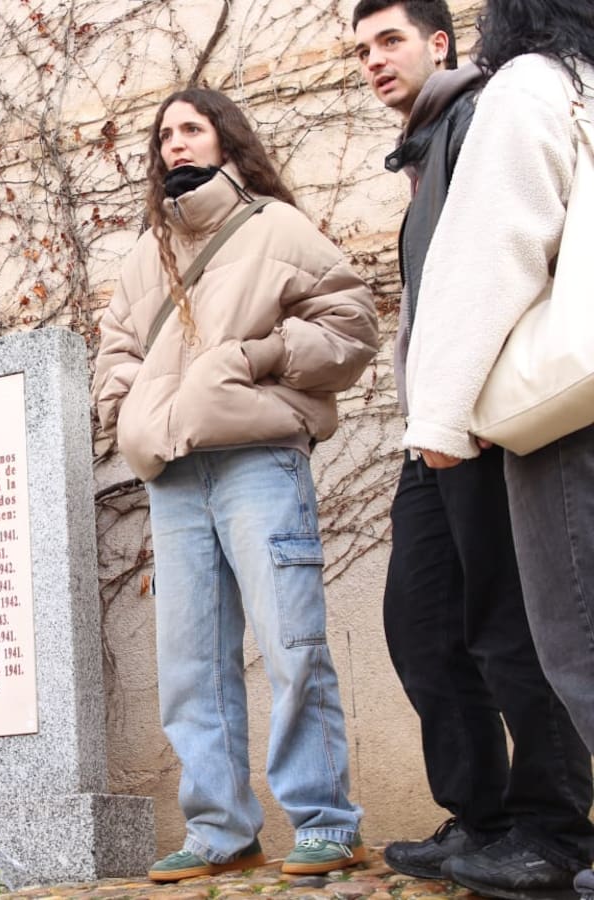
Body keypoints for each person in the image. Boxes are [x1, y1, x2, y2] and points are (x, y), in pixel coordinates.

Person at [93, 88, 378, 882]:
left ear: (225, 140)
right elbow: (113, 353)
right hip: (174, 477)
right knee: (191, 662)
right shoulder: (143, 256)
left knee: (291, 644)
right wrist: (131, 413)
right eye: (164, 136)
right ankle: (221, 831)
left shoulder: (275, 228)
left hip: (259, 460)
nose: (175, 144)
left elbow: (352, 327)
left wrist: (257, 361)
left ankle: (326, 822)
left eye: (191, 128)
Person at [352, 0, 594, 883]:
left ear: (443, 42)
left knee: (513, 630)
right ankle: (482, 818)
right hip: (439, 425)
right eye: (362, 49)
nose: (374, 60)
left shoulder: (499, 104)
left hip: (492, 418)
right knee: (421, 627)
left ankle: (553, 828)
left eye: (391, 40)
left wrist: (448, 414)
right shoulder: (426, 145)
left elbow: (498, 261)